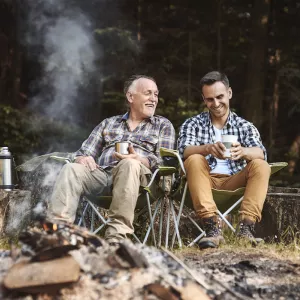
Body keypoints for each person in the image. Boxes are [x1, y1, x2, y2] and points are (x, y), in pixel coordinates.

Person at [49, 75, 176, 245]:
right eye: (148, 93)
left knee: (129, 163)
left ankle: (117, 237)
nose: (154, 99)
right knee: (71, 169)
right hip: (104, 176)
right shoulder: (108, 124)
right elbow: (82, 151)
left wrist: (140, 159)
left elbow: (166, 161)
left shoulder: (162, 125)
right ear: (131, 97)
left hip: (141, 183)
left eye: (156, 94)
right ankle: (58, 234)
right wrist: (83, 158)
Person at [177, 71, 271, 249]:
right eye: (210, 99)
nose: (216, 103)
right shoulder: (193, 124)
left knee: (261, 165)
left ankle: (246, 228)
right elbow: (183, 150)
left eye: (220, 97)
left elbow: (261, 152)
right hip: (203, 181)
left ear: (229, 93)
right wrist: (207, 149)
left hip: (234, 182)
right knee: (194, 158)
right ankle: (212, 229)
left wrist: (243, 151)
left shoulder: (244, 126)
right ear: (204, 100)